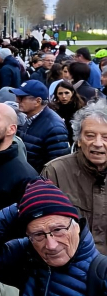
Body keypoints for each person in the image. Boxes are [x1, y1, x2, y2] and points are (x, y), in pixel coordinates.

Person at [42, 100, 107, 255]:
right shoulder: (55, 171)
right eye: (90, 135)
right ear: (78, 140)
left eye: (105, 137)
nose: (97, 143)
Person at [11, 80, 70, 172]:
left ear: (38, 101)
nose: (17, 100)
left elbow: (57, 167)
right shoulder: (30, 118)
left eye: (21, 97)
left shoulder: (54, 127)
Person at [49, 78, 85, 143]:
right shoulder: (53, 109)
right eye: (60, 93)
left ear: (72, 93)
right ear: (56, 95)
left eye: (66, 93)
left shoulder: (81, 107)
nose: (64, 96)